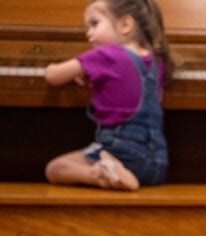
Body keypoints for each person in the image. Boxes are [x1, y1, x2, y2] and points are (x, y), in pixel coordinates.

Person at [43, 0, 170, 190]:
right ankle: (116, 173)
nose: (88, 33)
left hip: (121, 153)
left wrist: (52, 67)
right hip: (156, 163)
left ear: (125, 25)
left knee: (55, 169)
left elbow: (53, 77)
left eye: (94, 23)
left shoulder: (106, 54)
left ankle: (102, 174)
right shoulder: (155, 62)